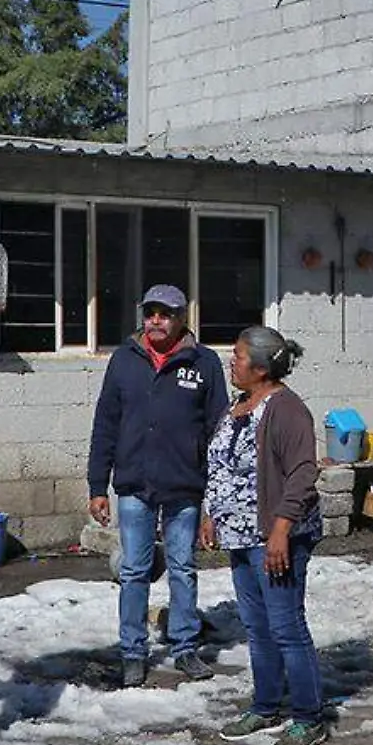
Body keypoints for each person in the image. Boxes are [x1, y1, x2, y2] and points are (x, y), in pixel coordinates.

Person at [88, 285, 229, 688]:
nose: (155, 320)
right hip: (134, 483)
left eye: (165, 314)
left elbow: (217, 432)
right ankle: (132, 652)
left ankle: (185, 647)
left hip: (184, 484)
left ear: (182, 318)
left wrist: (212, 500)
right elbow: (105, 424)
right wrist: (98, 484)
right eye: (150, 312)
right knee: (134, 570)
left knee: (183, 568)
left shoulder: (204, 364)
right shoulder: (124, 360)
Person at [204, 326, 327, 745]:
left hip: (276, 538)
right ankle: (266, 706)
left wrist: (280, 529)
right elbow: (221, 464)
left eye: (237, 357)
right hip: (240, 536)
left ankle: (310, 718)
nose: (231, 362)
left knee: (287, 628)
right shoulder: (238, 405)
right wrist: (211, 512)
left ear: (260, 368)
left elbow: (302, 474)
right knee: (257, 629)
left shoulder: (287, 409)